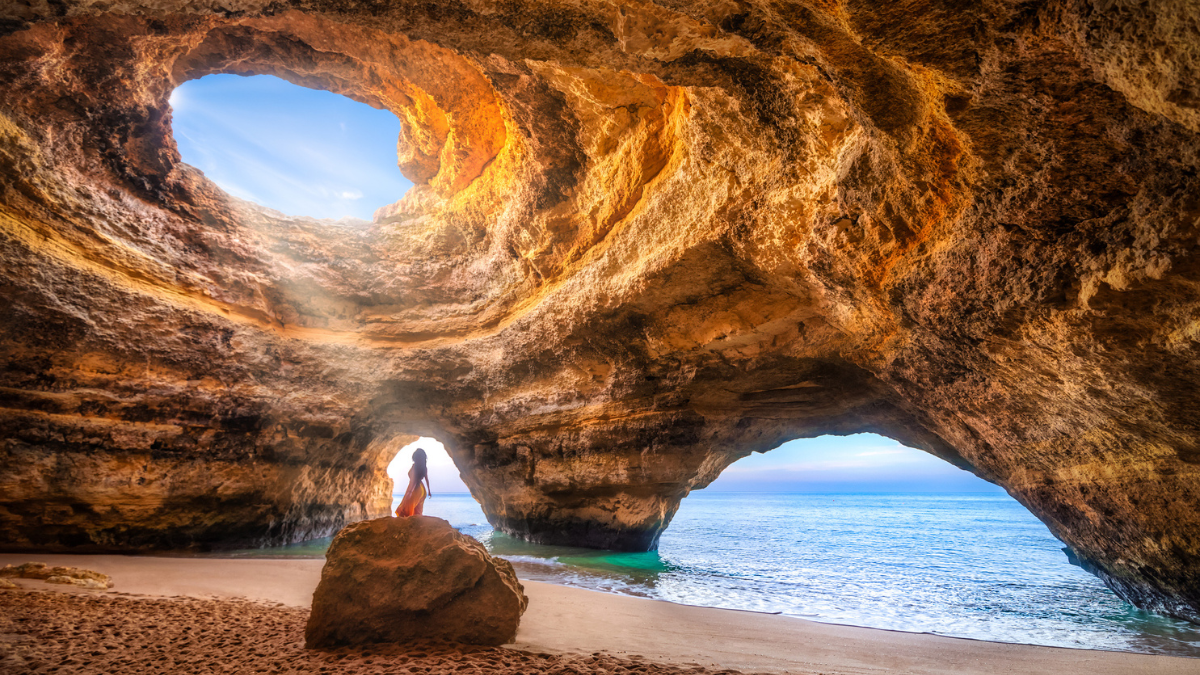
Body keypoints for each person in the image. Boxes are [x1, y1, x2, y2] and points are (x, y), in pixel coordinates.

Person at [395, 448, 432, 517]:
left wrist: (410, 492)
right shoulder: (424, 467)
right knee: (418, 511)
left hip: (416, 488)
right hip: (422, 489)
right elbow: (427, 479)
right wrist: (429, 491)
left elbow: (413, 480)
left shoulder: (414, 466)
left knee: (407, 508)